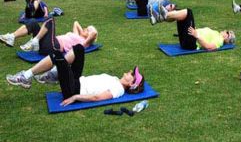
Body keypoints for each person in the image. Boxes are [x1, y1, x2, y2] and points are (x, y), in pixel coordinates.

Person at [6, 44, 145, 106]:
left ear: (131, 84)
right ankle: (55, 74)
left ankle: (26, 76)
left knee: (56, 55)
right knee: (79, 48)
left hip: (73, 89)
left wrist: (75, 97)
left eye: (132, 74)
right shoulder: (116, 80)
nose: (129, 72)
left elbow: (98, 97)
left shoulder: (119, 89)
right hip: (76, 81)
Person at [150, 7, 236, 50]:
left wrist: (197, 35)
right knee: (180, 15)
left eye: (227, 32)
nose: (225, 30)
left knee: (188, 12)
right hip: (188, 37)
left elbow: (209, 47)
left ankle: (164, 16)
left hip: (191, 43)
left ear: (227, 37)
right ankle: (159, 18)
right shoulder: (216, 33)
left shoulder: (220, 40)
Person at [0, 18, 98, 56]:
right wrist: (83, 31)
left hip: (54, 47)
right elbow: (76, 22)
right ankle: (11, 37)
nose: (85, 29)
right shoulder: (77, 35)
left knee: (51, 21)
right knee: (33, 22)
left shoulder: (83, 44)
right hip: (48, 44)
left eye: (87, 30)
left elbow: (93, 34)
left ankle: (35, 41)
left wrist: (89, 34)